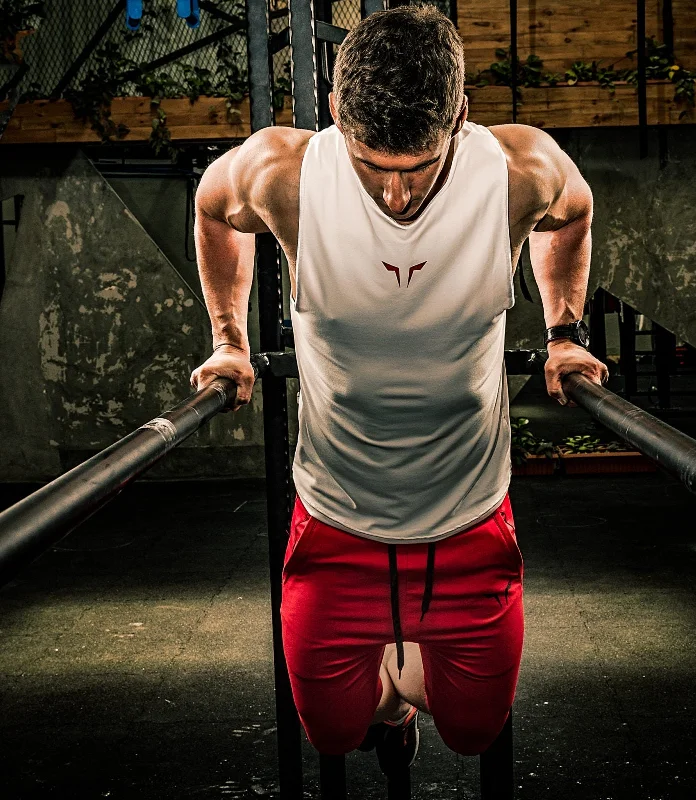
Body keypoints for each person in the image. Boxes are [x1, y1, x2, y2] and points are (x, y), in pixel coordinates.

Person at [190, 3, 607, 772]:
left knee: (475, 735)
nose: (396, 196)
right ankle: (392, 701)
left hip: (472, 525)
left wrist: (563, 333)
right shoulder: (285, 174)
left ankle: (407, 674)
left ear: (460, 119)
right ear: (336, 117)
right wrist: (230, 342)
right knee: (337, 735)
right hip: (335, 525)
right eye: (372, 167)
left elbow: (572, 214)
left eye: (417, 169)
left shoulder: (517, 170)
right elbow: (214, 212)